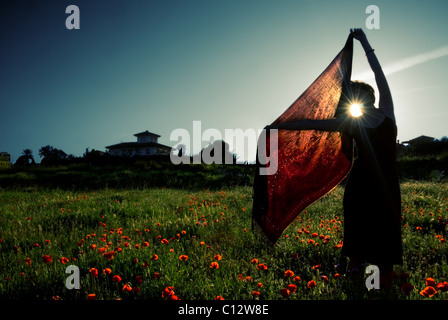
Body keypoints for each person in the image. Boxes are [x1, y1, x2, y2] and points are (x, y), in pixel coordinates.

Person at [265, 28, 402, 291]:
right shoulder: (354, 122)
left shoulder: (386, 113)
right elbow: (313, 123)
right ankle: (356, 271)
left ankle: (382, 278)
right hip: (362, 182)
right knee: (358, 224)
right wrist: (279, 126)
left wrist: (364, 43)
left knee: (385, 225)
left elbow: (379, 74)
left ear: (366, 99)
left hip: (385, 182)